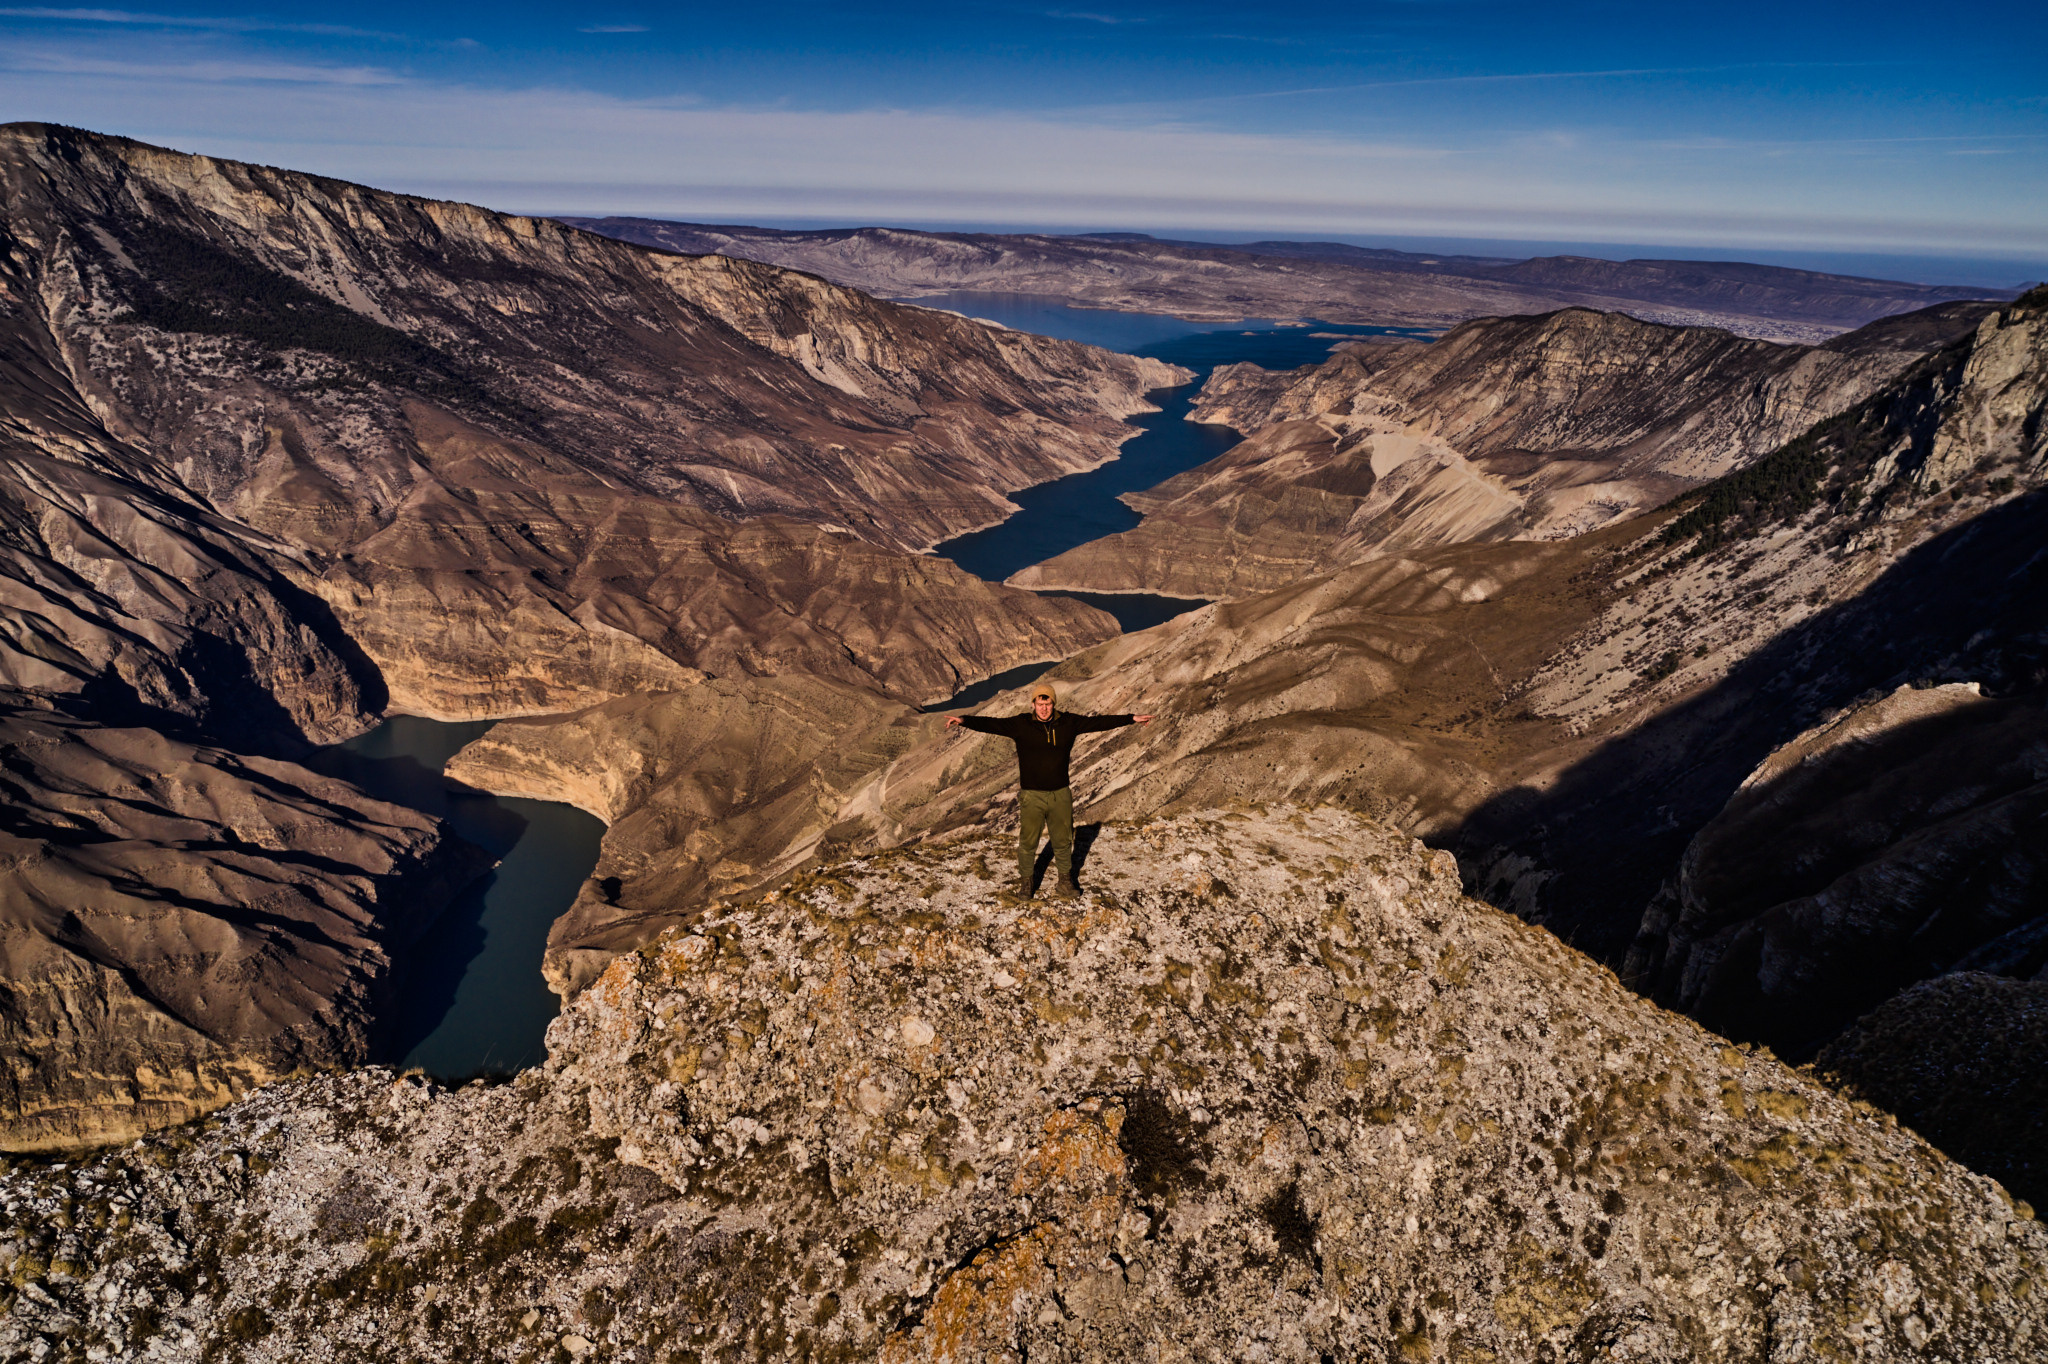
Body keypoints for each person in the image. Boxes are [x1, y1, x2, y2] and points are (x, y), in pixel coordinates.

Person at [946, 682, 1153, 898]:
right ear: (1033, 704)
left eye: (1048, 704)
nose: (1044, 709)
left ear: (1053, 703)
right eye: (1040, 704)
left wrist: (1131, 718)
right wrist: (964, 721)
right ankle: (1027, 883)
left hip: (1060, 794)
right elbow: (992, 724)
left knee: (1063, 840)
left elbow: (1098, 723)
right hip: (1032, 795)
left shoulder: (1068, 722)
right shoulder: (1021, 724)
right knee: (1028, 842)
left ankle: (1065, 882)